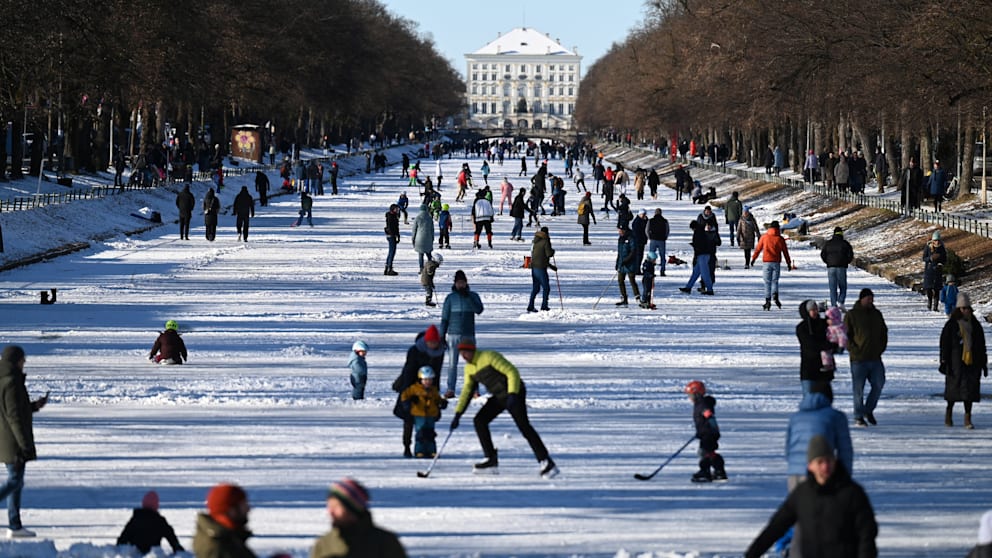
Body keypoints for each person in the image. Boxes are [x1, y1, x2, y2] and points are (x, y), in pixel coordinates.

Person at [745, 435, 877, 558]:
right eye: (820, 462)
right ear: (810, 465)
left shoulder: (852, 493)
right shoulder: (803, 493)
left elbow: (867, 534)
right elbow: (776, 526)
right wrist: (752, 554)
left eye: (828, 461)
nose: (825, 466)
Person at [449, 338, 559, 479]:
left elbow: (512, 372)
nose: (464, 356)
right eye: (462, 353)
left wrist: (513, 394)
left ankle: (546, 461)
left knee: (524, 426)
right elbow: (467, 391)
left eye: (466, 352)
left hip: (515, 392)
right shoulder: (469, 368)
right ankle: (490, 459)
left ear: (473, 350)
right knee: (480, 420)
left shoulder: (488, 356)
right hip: (499, 396)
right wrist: (458, 414)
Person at [0, 345, 48, 538]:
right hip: (13, 441)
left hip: (7, 438)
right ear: (15, 361)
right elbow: (14, 417)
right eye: (22, 360)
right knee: (14, 480)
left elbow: (17, 409)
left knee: (17, 481)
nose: (24, 363)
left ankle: (15, 525)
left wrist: (34, 406)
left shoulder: (5, 380)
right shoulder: (11, 382)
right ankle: (14, 524)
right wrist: (24, 445)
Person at [310, 478, 407, 558]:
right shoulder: (324, 545)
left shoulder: (385, 543)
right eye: (329, 506)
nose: (331, 512)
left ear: (353, 509)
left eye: (336, 506)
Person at [393, 325, 445, 458]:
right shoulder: (415, 350)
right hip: (411, 385)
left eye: (435, 342)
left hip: (429, 387)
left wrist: (436, 396)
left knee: (427, 421)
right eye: (431, 342)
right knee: (409, 419)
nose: (433, 345)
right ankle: (407, 446)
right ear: (426, 341)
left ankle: (427, 448)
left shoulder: (439, 352)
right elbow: (408, 372)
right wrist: (408, 397)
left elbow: (437, 374)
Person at [939, 293, 988, 429]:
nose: (966, 311)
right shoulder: (951, 325)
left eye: (968, 308)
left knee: (969, 393)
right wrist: (943, 360)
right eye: (964, 308)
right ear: (959, 309)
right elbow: (945, 344)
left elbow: (981, 344)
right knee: (953, 392)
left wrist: (983, 363)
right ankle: (949, 414)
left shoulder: (975, 325)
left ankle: (968, 418)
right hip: (955, 363)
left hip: (972, 362)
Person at [844, 288, 888, 427]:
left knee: (879, 384)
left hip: (875, 358)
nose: (870, 301)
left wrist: (880, 348)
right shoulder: (852, 315)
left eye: (872, 298)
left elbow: (883, 332)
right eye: (868, 298)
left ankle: (868, 410)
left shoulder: (877, 314)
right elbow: (845, 335)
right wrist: (853, 349)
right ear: (861, 299)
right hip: (858, 359)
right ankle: (858, 416)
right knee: (858, 390)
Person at [440, 270, 484, 399]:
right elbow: (444, 318)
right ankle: (450, 389)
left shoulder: (473, 296)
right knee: (452, 364)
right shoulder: (450, 298)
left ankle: (474, 389)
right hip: (453, 335)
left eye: (463, 283)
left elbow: (479, 310)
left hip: (468, 334)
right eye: (459, 283)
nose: (461, 285)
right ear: (455, 283)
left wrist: (468, 297)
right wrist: (442, 336)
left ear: (466, 283)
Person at [193, 483, 256, 558]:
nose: (248, 509)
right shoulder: (218, 549)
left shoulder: (225, 537)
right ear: (231, 510)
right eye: (243, 505)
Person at [116, 490, 185, 555]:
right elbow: (171, 536)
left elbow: (124, 537)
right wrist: (177, 548)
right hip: (153, 553)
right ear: (156, 506)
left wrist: (118, 549)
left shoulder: (135, 519)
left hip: (135, 554)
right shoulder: (160, 521)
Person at [684, 380, 726, 482]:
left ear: (697, 394)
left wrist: (711, 430)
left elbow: (709, 416)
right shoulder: (700, 404)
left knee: (704, 452)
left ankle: (705, 472)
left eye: (691, 395)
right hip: (706, 433)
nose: (689, 398)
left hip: (708, 434)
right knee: (710, 453)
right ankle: (719, 472)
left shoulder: (702, 404)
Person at [400, 366, 448, 457]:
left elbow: (437, 399)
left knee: (430, 433)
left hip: (431, 414)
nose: (427, 382)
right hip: (419, 414)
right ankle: (419, 450)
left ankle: (431, 450)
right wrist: (407, 403)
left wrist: (442, 403)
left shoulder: (433, 390)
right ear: (420, 379)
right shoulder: (415, 388)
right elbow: (404, 395)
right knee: (421, 433)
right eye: (425, 380)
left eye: (429, 380)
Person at [751, 221, 793, 310]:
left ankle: (767, 300)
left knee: (767, 282)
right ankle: (775, 295)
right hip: (776, 262)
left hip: (766, 262)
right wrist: (788, 263)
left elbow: (758, 249)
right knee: (775, 281)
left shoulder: (764, 237)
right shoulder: (780, 239)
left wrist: (753, 259)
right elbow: (785, 252)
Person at [797, 300, 837, 394]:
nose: (815, 312)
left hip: (824, 371)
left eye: (816, 309)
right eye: (812, 310)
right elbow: (810, 344)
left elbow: (835, 339)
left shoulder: (824, 324)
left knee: (824, 400)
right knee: (810, 400)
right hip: (809, 369)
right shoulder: (802, 327)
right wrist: (827, 345)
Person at [820, 226, 854, 307]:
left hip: (831, 268)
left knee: (832, 288)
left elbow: (823, 254)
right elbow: (850, 255)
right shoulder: (845, 244)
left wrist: (828, 262)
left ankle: (834, 305)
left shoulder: (828, 243)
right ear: (841, 234)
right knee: (843, 286)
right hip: (841, 267)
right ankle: (840, 301)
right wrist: (846, 262)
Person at [679, 220, 714, 296]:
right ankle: (688, 287)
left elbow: (699, 245)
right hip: (702, 254)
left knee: (705, 274)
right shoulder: (701, 231)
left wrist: (694, 246)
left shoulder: (698, 233)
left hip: (703, 255)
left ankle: (710, 289)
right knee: (695, 273)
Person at [527, 227, 555, 312]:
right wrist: (553, 251)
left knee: (536, 288)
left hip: (534, 267)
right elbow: (548, 254)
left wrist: (551, 266)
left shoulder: (535, 241)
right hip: (541, 268)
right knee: (546, 287)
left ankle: (530, 305)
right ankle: (544, 306)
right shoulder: (545, 241)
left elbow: (539, 255)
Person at [615, 226, 641, 306]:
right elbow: (619, 252)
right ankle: (624, 298)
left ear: (624, 230)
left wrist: (626, 260)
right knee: (620, 280)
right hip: (622, 263)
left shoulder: (631, 238)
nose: (619, 232)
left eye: (620, 230)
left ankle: (637, 298)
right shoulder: (621, 239)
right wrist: (617, 262)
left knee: (632, 280)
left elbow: (633, 251)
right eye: (618, 230)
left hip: (630, 263)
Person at [923, 231, 947, 312]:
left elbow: (945, 259)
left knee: (937, 289)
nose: (937, 242)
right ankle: (929, 303)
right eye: (935, 240)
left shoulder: (942, 248)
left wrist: (941, 263)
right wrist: (930, 258)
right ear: (932, 240)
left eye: (938, 240)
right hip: (929, 271)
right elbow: (924, 258)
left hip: (937, 270)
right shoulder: (928, 247)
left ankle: (935, 306)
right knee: (929, 289)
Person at [411, 203, 434, 272]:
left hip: (419, 239)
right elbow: (432, 230)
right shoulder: (429, 218)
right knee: (429, 253)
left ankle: (421, 268)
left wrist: (413, 239)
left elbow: (414, 230)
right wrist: (432, 238)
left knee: (420, 254)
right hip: (428, 238)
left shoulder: (417, 218)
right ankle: (430, 267)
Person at [646, 208, 668, 275]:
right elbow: (667, 230)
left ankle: (650, 270)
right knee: (662, 256)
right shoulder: (665, 221)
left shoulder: (651, 220)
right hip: (662, 240)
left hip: (653, 240)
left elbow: (647, 230)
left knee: (651, 256)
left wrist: (649, 237)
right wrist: (665, 237)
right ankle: (662, 270)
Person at [383, 204, 400, 276]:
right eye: (396, 209)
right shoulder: (391, 216)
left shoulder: (394, 216)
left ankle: (387, 267)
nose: (397, 210)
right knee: (392, 252)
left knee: (391, 251)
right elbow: (391, 227)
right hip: (391, 235)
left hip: (392, 235)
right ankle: (389, 268)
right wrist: (394, 234)